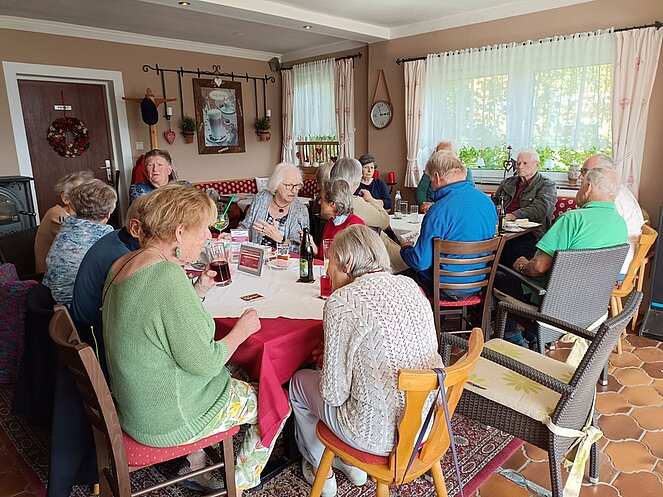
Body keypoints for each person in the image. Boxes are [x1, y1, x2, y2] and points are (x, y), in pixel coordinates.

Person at [102, 186, 283, 494]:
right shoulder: (167, 277)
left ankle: (196, 462)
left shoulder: (124, 262)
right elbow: (205, 363)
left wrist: (197, 290)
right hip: (165, 419)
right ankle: (238, 486)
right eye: (203, 229)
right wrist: (242, 331)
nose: (208, 237)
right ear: (180, 232)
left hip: (135, 403)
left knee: (238, 371)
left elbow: (159, 325)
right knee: (273, 402)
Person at [289, 225, 442, 497]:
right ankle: (349, 465)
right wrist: (342, 359)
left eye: (331, 261)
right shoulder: (411, 286)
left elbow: (333, 394)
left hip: (371, 435)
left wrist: (332, 364)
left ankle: (321, 469)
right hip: (426, 427)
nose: (327, 271)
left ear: (348, 262)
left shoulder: (342, 301)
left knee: (299, 382)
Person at [494, 167, 628, 348]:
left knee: (495, 276)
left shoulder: (572, 220)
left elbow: (538, 267)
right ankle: (534, 339)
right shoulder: (620, 224)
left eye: (581, 184)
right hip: (590, 308)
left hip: (552, 305)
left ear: (588, 188)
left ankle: (513, 338)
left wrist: (522, 266)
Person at [400, 150, 497, 298]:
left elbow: (420, 262)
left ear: (437, 177)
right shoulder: (487, 202)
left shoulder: (438, 211)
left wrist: (405, 248)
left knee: (400, 274)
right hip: (479, 282)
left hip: (444, 287)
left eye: (431, 180)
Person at [70, 193, 148, 377]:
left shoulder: (116, 236)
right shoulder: (122, 259)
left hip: (92, 326)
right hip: (98, 342)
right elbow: (140, 319)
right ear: (135, 228)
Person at [42, 179, 117, 306]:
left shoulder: (67, 225)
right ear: (108, 214)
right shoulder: (106, 238)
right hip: (80, 308)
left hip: (52, 302)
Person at [579, 153, 645, 278]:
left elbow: (595, 239)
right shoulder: (616, 191)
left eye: (585, 171)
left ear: (604, 171)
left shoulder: (611, 198)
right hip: (618, 263)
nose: (580, 176)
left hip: (613, 270)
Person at [492, 149, 557, 267]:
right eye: (518, 163)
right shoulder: (507, 183)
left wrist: (513, 216)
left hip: (531, 233)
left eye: (525, 163)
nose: (520, 166)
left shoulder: (547, 185)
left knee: (511, 250)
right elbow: (494, 203)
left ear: (537, 165)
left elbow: (540, 209)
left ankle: (503, 277)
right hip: (501, 227)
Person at [239, 162, 310, 252]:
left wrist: (280, 239)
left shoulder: (301, 210)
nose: (294, 190)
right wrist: (233, 236)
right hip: (256, 255)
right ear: (276, 184)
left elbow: (300, 249)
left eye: (297, 186)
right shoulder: (261, 198)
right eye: (289, 185)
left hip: (284, 259)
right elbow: (246, 226)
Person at [34, 170, 94, 273]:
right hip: (53, 275)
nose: (88, 198)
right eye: (81, 193)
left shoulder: (78, 216)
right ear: (66, 198)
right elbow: (85, 244)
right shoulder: (57, 216)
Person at [416, 141, 474, 213]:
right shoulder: (430, 169)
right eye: (438, 153)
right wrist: (423, 203)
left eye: (445, 153)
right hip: (430, 208)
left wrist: (437, 206)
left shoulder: (464, 171)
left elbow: (465, 195)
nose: (441, 156)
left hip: (452, 208)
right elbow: (421, 190)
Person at [313, 179, 364, 259]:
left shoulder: (355, 225)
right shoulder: (331, 222)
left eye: (322, 199)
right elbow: (324, 257)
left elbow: (353, 261)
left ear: (333, 204)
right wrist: (312, 245)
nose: (319, 202)